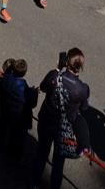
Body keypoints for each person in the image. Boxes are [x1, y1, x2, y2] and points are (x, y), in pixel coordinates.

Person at [29, 48, 91, 189]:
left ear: (66, 62)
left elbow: (43, 87)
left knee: (41, 153)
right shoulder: (82, 89)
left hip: (46, 121)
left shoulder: (54, 77)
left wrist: (57, 68)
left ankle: (34, 183)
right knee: (58, 162)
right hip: (64, 128)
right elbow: (83, 108)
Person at [0, 58, 36, 162]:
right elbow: (32, 103)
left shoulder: (5, 80)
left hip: (7, 112)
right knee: (18, 140)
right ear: (24, 73)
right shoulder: (25, 88)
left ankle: (5, 152)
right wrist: (34, 93)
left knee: (7, 134)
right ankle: (15, 158)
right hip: (20, 118)